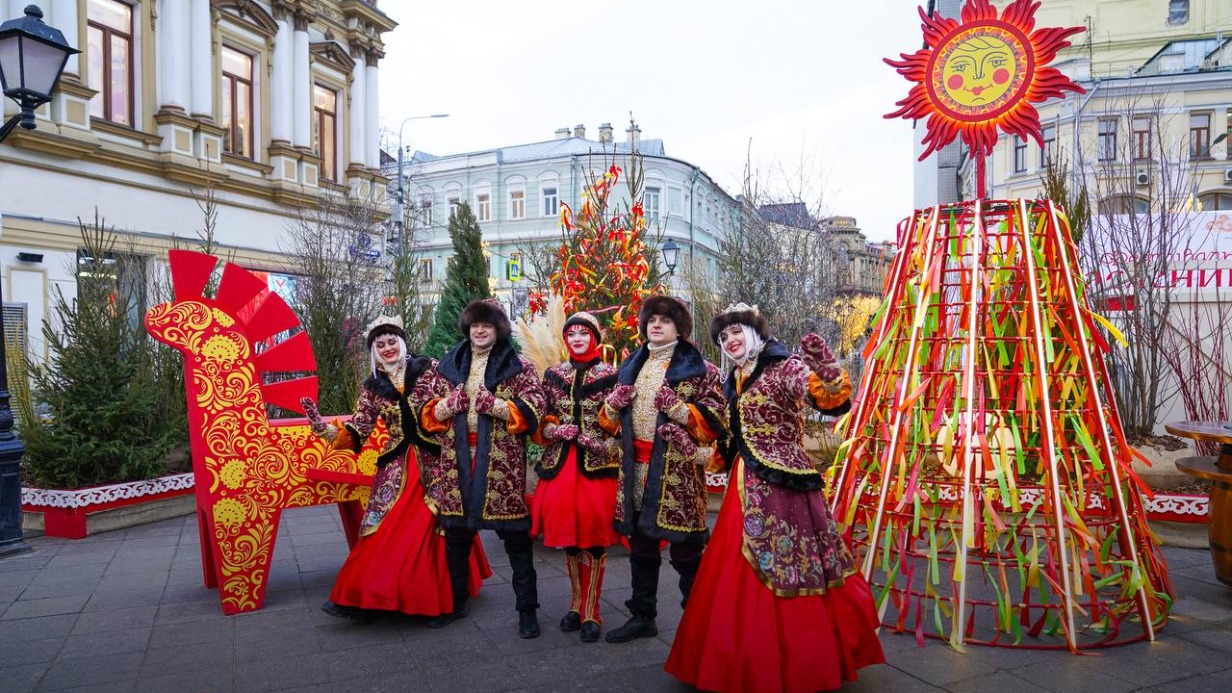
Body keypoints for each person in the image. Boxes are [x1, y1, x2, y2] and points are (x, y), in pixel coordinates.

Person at [665, 303, 885, 693]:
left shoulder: (785, 366)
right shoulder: (734, 377)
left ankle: (799, 660)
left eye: (736, 333)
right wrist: (695, 447)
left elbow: (828, 400)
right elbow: (733, 439)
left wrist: (827, 368)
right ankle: (740, 656)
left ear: (755, 334)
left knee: (790, 566)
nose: (730, 341)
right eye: (723, 337)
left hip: (786, 488)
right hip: (744, 485)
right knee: (736, 571)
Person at [302, 315, 489, 623]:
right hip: (396, 466)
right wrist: (325, 430)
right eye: (380, 344)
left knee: (438, 526)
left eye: (391, 341)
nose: (387, 348)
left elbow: (457, 402)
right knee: (383, 526)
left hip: (437, 461)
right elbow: (358, 429)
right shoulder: (373, 388)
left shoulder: (430, 370)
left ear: (402, 342)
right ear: (374, 351)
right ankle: (368, 596)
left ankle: (446, 599)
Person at [414, 298, 548, 639]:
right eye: (475, 324)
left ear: (498, 329)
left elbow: (535, 406)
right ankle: (456, 603)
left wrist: (498, 407)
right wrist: (447, 406)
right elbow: (423, 410)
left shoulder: (519, 366)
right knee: (455, 538)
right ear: (468, 328)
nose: (480, 329)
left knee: (516, 542)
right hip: (455, 462)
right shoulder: (446, 365)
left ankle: (528, 611)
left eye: (487, 324)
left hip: (501, 464)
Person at [597, 295, 727, 644]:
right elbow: (608, 424)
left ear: (679, 328)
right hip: (633, 471)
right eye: (651, 320)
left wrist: (680, 410)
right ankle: (643, 616)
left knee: (685, 551)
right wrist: (612, 405)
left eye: (665, 320)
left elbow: (716, 423)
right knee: (640, 547)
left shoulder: (702, 370)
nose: (656, 325)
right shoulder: (630, 367)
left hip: (677, 473)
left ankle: (699, 624)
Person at [530, 312, 622, 643]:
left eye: (585, 333)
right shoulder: (554, 373)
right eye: (572, 333)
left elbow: (620, 424)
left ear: (595, 338)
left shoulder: (613, 375)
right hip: (560, 465)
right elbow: (541, 415)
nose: (578, 338)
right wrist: (553, 428)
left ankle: (591, 611)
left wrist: (597, 441)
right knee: (569, 539)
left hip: (596, 469)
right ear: (565, 339)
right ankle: (575, 604)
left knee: (594, 539)